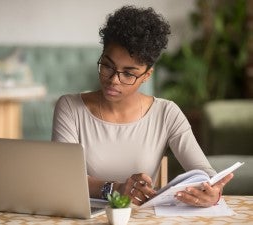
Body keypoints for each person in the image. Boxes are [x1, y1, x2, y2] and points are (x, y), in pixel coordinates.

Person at [52, 5, 233, 207]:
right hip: (86, 217)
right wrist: (116, 189)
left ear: (147, 75)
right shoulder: (69, 107)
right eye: (107, 65)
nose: (113, 80)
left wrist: (213, 192)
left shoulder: (166, 113)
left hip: (142, 218)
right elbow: (63, 177)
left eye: (128, 73)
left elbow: (203, 171)